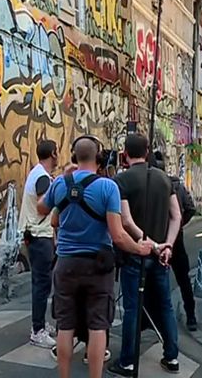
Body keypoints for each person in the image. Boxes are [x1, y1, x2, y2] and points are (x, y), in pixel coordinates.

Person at [38, 135, 153, 378]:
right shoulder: (107, 187)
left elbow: (43, 209)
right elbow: (118, 235)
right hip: (98, 265)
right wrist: (139, 248)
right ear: (99, 158)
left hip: (66, 264)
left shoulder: (60, 184)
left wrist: (63, 184)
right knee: (98, 324)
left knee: (65, 325)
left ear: (73, 156)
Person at [108, 134, 182, 376]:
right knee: (165, 306)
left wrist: (149, 243)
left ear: (125, 153)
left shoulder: (122, 180)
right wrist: (167, 245)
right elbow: (177, 216)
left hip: (135, 254)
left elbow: (127, 221)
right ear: (148, 150)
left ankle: (127, 361)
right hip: (161, 255)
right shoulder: (165, 179)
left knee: (132, 308)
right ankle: (172, 357)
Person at [18, 139, 59, 349]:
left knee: (42, 283)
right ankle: (37, 331)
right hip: (39, 236)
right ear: (53, 153)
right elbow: (43, 207)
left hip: (37, 235)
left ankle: (40, 324)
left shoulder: (38, 173)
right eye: (57, 152)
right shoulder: (43, 177)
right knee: (42, 285)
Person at [152, 151, 198, 331]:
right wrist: (178, 225)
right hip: (176, 240)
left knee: (154, 280)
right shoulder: (176, 185)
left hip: (157, 239)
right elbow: (190, 208)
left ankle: (156, 319)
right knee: (183, 279)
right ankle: (191, 316)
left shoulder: (153, 185)